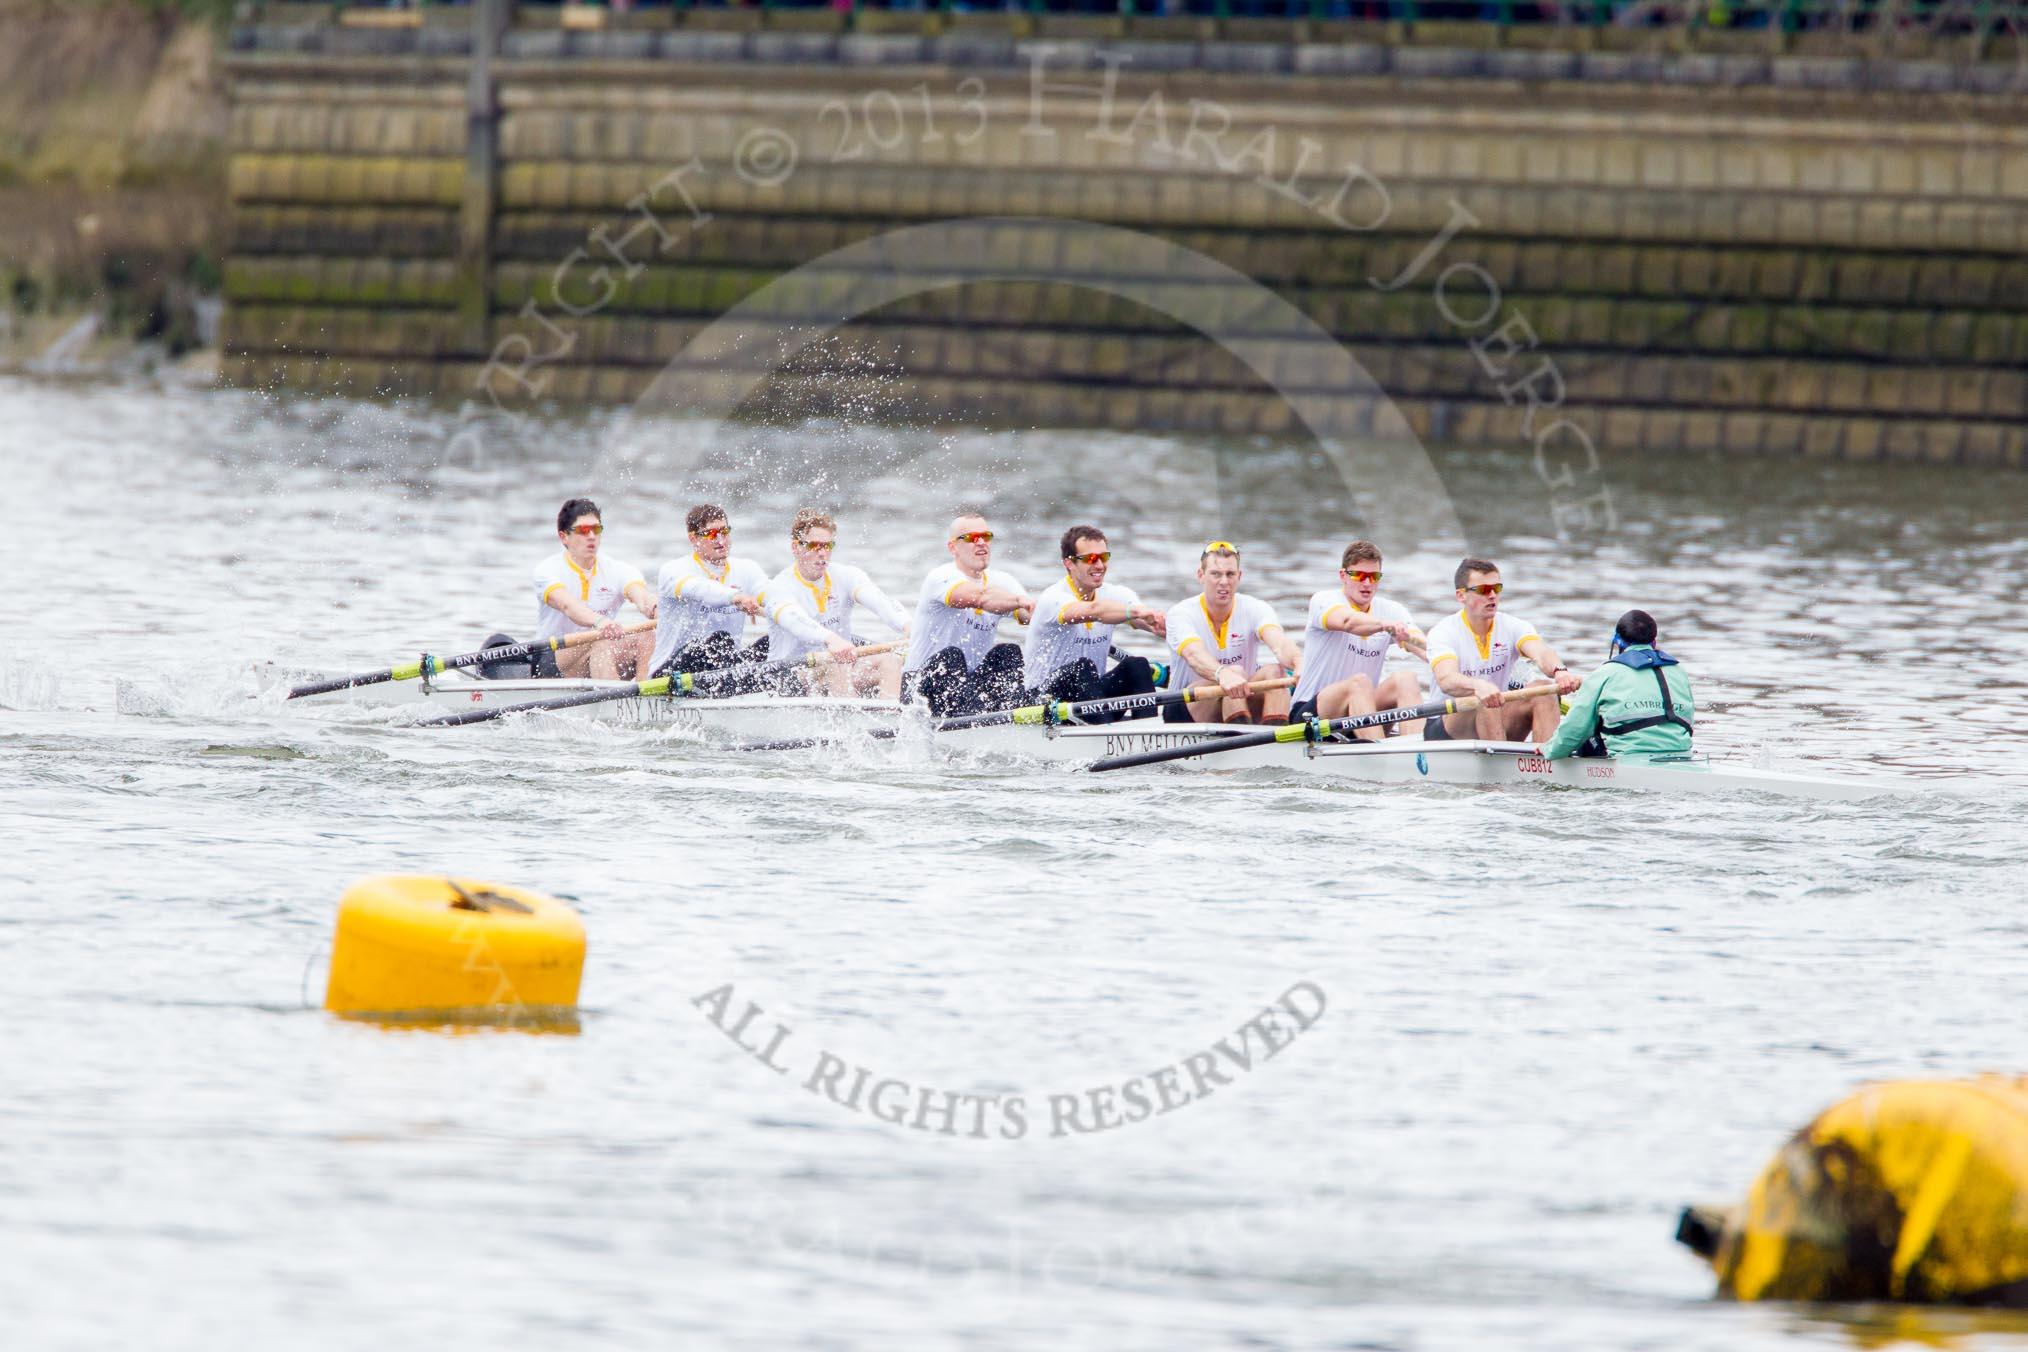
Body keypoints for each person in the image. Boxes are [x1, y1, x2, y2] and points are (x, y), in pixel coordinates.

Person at [1421, 557, 1581, 742]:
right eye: (1483, 590)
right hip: (1448, 727)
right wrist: (1477, 685)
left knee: (1544, 690)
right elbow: (1446, 679)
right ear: (1461, 596)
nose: (1492, 596)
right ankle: (1499, 763)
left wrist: (1559, 671)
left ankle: (1547, 764)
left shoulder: (1512, 626)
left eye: (1496, 589)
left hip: (1495, 716)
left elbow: (1541, 652)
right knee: (1482, 698)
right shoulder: (1444, 632)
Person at [761, 509, 912, 699]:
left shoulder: (847, 575)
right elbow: (794, 620)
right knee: (836, 663)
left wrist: (907, 625)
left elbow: (879, 600)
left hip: (839, 667)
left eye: (828, 546)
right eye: (815, 546)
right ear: (796, 547)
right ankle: (848, 725)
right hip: (789, 676)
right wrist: (830, 639)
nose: (823, 553)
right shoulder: (779, 588)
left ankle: (890, 721)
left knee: (891, 659)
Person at [1022, 525, 1168, 720]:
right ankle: (1105, 733)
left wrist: (1160, 626)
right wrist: (1134, 612)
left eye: (1104, 557)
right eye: (1091, 559)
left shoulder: (1116, 593)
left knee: (1137, 665)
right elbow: (1092, 611)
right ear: (1069, 563)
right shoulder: (1053, 598)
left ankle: (1149, 733)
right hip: (1045, 700)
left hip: (1090, 696)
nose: (1099, 565)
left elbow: (1148, 622)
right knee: (1081, 667)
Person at [1288, 539, 1426, 740]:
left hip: (1361, 713)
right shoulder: (1324, 601)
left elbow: (1424, 648)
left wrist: (1441, 658)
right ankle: (1380, 756)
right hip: (1312, 714)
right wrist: (1384, 625)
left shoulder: (1393, 609)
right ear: (1343, 575)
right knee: (1359, 683)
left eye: (1374, 576)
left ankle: (1418, 754)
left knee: (1406, 678)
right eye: (1360, 575)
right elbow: (1348, 622)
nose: (1367, 583)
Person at [902, 513, 1035, 716]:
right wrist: (1018, 601)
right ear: (952, 547)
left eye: (986, 537)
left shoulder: (1004, 580)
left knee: (1008, 652)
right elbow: (982, 597)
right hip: (919, 685)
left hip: (968, 683)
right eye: (972, 538)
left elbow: (1031, 617)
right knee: (952, 656)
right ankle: (976, 722)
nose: (981, 543)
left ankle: (1010, 718)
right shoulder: (941, 577)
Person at [1161, 541, 1302, 725]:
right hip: (1184, 709)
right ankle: (1244, 741)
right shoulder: (1181, 613)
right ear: (1201, 575)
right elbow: (1194, 655)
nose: (1224, 582)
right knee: (1235, 672)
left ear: (1239, 576)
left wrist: (1299, 662)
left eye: (1230, 574)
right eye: (1216, 574)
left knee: (1275, 671)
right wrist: (1222, 674)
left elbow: (1280, 644)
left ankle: (1274, 740)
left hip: (1239, 698)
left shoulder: (1256, 608)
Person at [1542, 609, 1695, 760]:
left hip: (1629, 758)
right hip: (1682, 754)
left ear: (1617, 642)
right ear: (1654, 642)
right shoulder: (1679, 671)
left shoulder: (1605, 673)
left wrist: (1548, 750)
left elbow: (1574, 730)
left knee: (1588, 728)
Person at [532, 497, 656, 679]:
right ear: (564, 536)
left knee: (646, 635)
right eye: (583, 530)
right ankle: (612, 704)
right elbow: (568, 606)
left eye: (596, 529)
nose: (591, 536)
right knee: (600, 641)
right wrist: (600, 622)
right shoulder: (547, 570)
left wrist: (656, 608)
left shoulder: (618, 569)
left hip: (599, 650)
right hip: (551, 658)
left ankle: (647, 696)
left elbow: (642, 597)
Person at [648, 504, 770, 683]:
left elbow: (772, 594)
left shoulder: (747, 569)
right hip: (668, 675)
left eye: (724, 531)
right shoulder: (674, 570)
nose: (720, 540)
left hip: (722, 670)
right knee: (720, 640)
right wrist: (736, 597)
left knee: (772, 643)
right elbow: (701, 589)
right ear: (692, 538)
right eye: (711, 534)